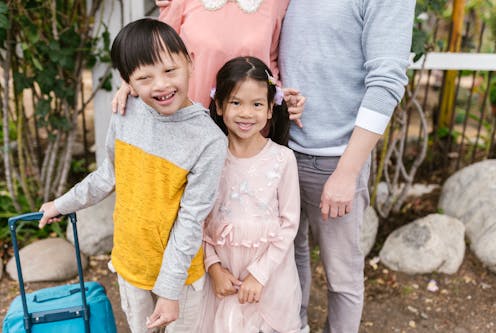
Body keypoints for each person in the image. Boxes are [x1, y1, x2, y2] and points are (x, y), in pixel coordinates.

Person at [38, 18, 227, 333]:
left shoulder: (208, 140)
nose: (161, 85)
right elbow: (108, 175)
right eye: (144, 77)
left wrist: (169, 290)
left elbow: (192, 220)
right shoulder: (125, 112)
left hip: (180, 277)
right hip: (131, 265)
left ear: (190, 62)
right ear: (128, 82)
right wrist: (62, 204)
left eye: (170, 71)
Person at [278, 1, 416, 332]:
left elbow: (387, 82)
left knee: (342, 277)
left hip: (336, 159)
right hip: (281, 153)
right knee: (287, 266)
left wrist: (347, 172)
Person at [199, 56, 301, 332]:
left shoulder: (283, 159)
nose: (246, 113)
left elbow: (289, 223)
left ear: (270, 109)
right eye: (236, 102)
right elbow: (199, 221)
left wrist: (259, 275)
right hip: (224, 277)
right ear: (219, 106)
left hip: (270, 277)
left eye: (256, 104)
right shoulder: (209, 159)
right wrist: (214, 268)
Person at [112, 0, 305, 128]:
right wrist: (130, 82)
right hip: (191, 125)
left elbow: (270, 62)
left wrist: (280, 97)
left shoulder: (277, 3)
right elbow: (157, 52)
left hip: (247, 129)